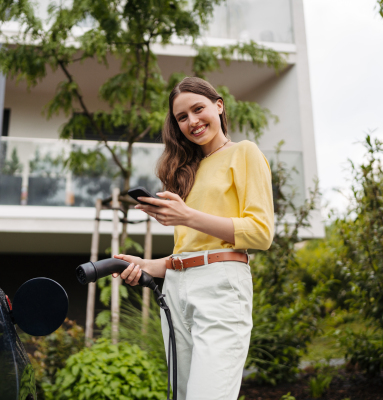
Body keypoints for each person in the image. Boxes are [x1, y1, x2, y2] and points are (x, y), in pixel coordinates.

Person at [113, 76, 274, 400]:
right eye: (181, 117)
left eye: (198, 109)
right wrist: (149, 265)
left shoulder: (244, 153)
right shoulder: (187, 170)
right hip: (176, 288)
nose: (192, 122)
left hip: (221, 287)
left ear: (219, 105)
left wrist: (187, 215)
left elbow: (260, 233)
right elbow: (190, 250)